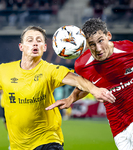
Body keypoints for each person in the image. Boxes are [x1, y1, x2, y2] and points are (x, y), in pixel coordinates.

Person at [0, 26, 115, 150]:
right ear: (21, 46)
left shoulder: (51, 70)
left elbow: (78, 80)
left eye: (39, 41)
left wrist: (95, 90)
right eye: (30, 40)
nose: (34, 43)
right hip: (18, 145)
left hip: (48, 140)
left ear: (44, 47)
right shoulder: (3, 70)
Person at [46, 18, 133, 150]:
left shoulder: (128, 49)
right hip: (118, 128)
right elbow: (86, 85)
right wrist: (71, 99)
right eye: (91, 44)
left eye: (100, 41)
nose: (98, 49)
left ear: (108, 35)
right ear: (85, 45)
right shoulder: (82, 65)